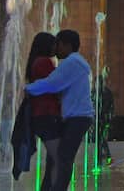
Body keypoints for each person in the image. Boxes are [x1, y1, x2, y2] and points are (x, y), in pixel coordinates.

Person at [24, 30, 94, 191]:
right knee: (56, 158)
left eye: (58, 44)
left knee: (63, 157)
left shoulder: (72, 62)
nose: (56, 48)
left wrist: (29, 88)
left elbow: (53, 84)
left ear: (67, 45)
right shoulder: (74, 62)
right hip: (74, 117)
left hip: (77, 117)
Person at [26, 32, 62, 190]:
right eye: (54, 44)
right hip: (47, 115)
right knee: (59, 158)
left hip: (41, 115)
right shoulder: (44, 62)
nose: (56, 47)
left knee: (53, 160)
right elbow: (55, 85)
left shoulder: (35, 62)